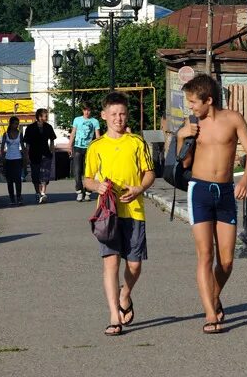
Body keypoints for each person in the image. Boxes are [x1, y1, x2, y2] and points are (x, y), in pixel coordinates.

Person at [176, 73, 247, 333]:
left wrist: (245, 180)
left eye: (193, 102)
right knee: (205, 255)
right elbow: (184, 163)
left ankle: (213, 296)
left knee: (226, 261)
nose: (190, 107)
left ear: (208, 100)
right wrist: (181, 137)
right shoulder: (192, 125)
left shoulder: (232, 119)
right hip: (198, 190)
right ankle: (210, 314)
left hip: (224, 191)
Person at [83, 91, 155, 337]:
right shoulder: (97, 147)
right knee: (110, 263)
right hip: (108, 214)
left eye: (122, 113)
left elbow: (149, 173)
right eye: (113, 114)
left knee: (134, 265)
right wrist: (97, 186)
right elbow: (87, 179)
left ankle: (125, 294)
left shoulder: (137, 142)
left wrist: (139, 188)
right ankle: (114, 316)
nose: (118, 118)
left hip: (134, 211)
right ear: (104, 116)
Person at [24, 108, 57, 203]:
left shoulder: (48, 127)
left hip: (46, 154)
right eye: (45, 116)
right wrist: (26, 155)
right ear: (39, 117)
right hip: (34, 154)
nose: (47, 117)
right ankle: (37, 193)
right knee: (35, 175)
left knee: (45, 174)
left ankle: (43, 193)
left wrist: (51, 151)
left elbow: (52, 139)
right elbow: (27, 143)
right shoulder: (30, 128)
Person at [68, 105, 101, 201]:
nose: (87, 112)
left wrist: (99, 148)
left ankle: (88, 191)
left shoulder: (95, 121)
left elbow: (97, 136)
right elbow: (73, 133)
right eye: (85, 110)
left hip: (90, 148)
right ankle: (79, 191)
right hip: (78, 147)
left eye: (89, 110)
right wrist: (69, 145)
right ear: (82, 110)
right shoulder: (77, 120)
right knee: (77, 170)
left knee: (89, 171)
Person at [0, 115, 27, 205]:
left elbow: (23, 147)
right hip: (8, 159)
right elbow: (2, 148)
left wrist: (25, 158)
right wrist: (2, 158)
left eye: (17, 124)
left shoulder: (20, 134)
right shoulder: (5, 134)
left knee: (18, 179)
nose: (16, 125)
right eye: (15, 124)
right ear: (10, 124)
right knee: (10, 180)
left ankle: (19, 197)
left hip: (18, 158)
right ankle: (12, 198)